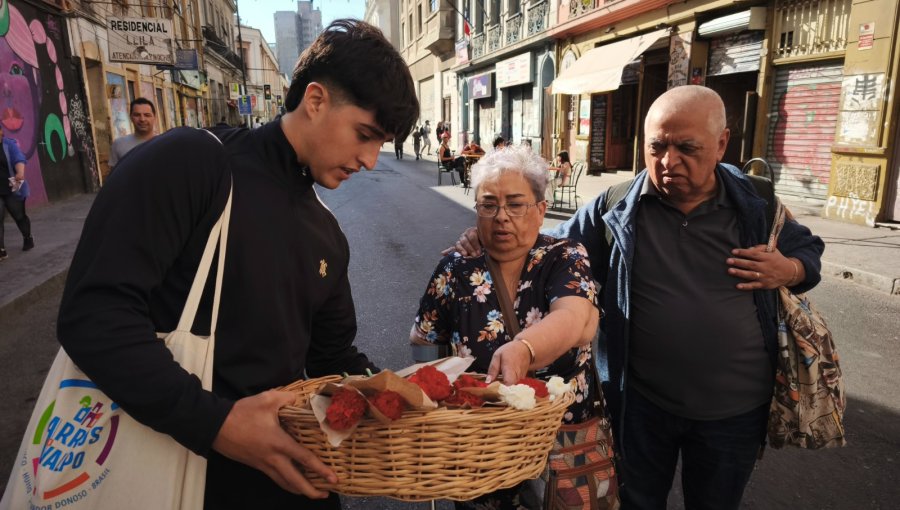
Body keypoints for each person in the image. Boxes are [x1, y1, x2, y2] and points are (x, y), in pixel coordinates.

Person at [56, 19, 418, 509]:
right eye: (365, 134)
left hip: (288, 478)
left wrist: (415, 401)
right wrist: (216, 424)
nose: (371, 160)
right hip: (175, 472)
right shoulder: (192, 164)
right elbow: (93, 315)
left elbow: (334, 360)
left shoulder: (327, 234)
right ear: (316, 100)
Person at [448, 85, 825, 509]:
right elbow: (542, 246)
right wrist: (487, 235)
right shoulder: (615, 206)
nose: (668, 161)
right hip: (642, 406)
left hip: (735, 411)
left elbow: (809, 252)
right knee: (638, 502)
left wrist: (788, 269)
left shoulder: (756, 201)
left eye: (687, 147)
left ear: (721, 144)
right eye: (657, 146)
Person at [411, 145, 601, 509]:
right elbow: (424, 340)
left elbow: (575, 318)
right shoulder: (456, 269)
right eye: (489, 205)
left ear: (541, 210)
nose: (501, 217)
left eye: (515, 204)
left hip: (557, 452)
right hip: (477, 454)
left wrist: (524, 348)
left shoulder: (565, 256)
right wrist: (429, 406)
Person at [0, 127, 33, 260]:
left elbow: (19, 159)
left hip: (11, 188)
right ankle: (1, 250)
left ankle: (27, 236)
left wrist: (20, 173)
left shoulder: (9, 144)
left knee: (19, 216)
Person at [108, 97, 157, 171]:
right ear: (131, 117)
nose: (142, 119)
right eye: (137, 115)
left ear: (154, 117)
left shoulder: (164, 143)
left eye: (147, 115)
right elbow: (114, 177)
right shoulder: (119, 144)